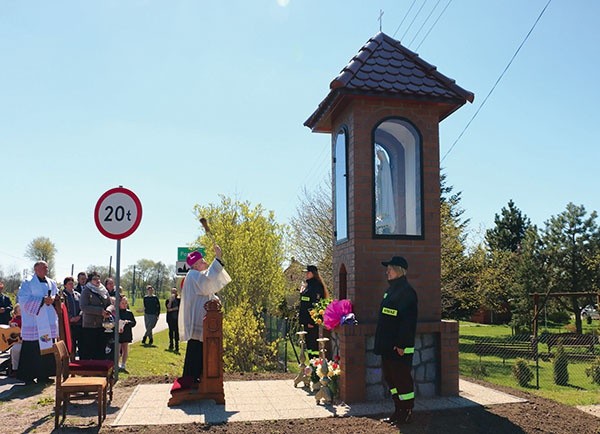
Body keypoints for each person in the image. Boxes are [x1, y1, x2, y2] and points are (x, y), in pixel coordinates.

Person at [374, 256, 418, 426]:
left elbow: (408, 322)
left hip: (399, 348)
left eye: (390, 269)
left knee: (402, 380)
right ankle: (398, 410)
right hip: (387, 346)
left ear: (399, 270)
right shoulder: (391, 290)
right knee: (391, 379)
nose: (387, 271)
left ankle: (407, 411)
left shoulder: (407, 292)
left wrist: (401, 344)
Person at [179, 245, 231, 382]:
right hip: (198, 319)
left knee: (198, 349)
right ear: (195, 265)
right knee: (196, 349)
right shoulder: (194, 275)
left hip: (201, 318)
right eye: (202, 261)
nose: (205, 263)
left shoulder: (194, 276)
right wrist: (218, 258)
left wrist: (215, 299)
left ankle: (197, 377)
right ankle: (191, 379)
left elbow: (207, 290)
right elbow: (208, 281)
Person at [16, 261, 59, 385]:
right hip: (34, 322)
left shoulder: (52, 282)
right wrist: (41, 300)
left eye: (46, 268)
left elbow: (55, 295)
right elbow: (23, 300)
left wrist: (53, 299)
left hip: (48, 319)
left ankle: (44, 375)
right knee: (32, 349)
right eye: (43, 268)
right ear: (36, 269)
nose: (46, 270)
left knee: (47, 347)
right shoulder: (28, 283)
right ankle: (28, 376)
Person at [79, 272, 112, 360]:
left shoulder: (103, 290)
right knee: (90, 350)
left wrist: (108, 310)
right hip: (90, 326)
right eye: (94, 279)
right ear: (90, 281)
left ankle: (100, 371)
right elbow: (83, 307)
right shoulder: (86, 290)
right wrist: (100, 311)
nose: (97, 281)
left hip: (102, 325)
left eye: (98, 278)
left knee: (101, 350)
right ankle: (89, 371)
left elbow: (110, 304)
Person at [298, 265, 329, 358]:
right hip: (306, 321)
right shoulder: (308, 285)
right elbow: (305, 301)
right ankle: (311, 364)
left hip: (311, 322)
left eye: (307, 272)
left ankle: (314, 365)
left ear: (312, 273)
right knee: (309, 346)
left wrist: (312, 321)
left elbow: (316, 305)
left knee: (313, 345)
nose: (306, 274)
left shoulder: (316, 286)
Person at [62, 276, 82, 357]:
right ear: (65, 285)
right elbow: (63, 308)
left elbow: (82, 307)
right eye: (69, 284)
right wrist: (70, 318)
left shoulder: (78, 295)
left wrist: (79, 316)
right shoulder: (62, 296)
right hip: (68, 325)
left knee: (80, 344)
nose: (71, 285)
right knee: (70, 345)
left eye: (72, 283)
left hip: (79, 323)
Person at [117, 296, 136, 371]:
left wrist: (128, 322)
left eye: (125, 303)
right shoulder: (116, 312)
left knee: (125, 349)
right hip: (119, 333)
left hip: (127, 333)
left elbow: (134, 322)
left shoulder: (129, 312)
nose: (124, 305)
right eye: (122, 303)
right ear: (119, 304)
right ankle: (117, 364)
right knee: (118, 349)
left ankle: (123, 364)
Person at [165, 287, 180, 352]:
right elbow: (168, 307)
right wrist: (171, 300)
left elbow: (178, 308)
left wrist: (172, 309)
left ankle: (177, 345)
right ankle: (171, 344)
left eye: (175, 292)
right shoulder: (168, 300)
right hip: (170, 318)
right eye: (172, 292)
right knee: (171, 331)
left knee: (176, 332)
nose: (173, 293)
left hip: (177, 318)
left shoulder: (179, 300)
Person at [9, 304, 22, 376]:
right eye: (20, 310)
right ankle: (15, 369)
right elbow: (11, 325)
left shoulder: (27, 318)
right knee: (15, 349)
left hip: (27, 339)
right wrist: (12, 325)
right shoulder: (15, 320)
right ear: (16, 312)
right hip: (18, 341)